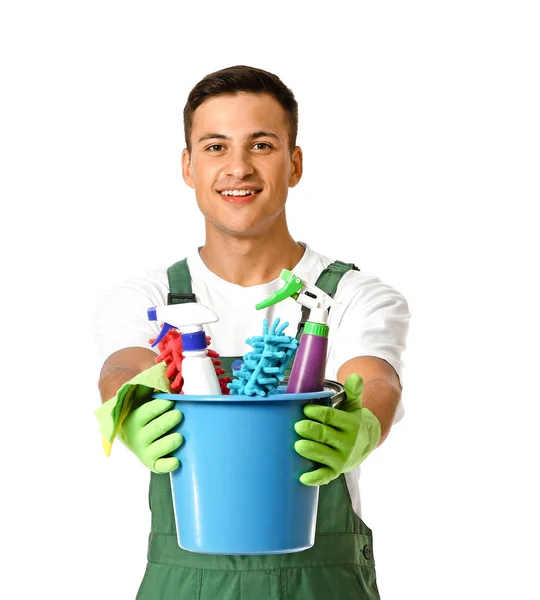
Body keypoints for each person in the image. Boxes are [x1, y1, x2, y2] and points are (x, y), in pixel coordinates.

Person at [93, 65, 410, 600]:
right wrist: (126, 405)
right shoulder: (148, 298)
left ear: (294, 163)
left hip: (320, 582)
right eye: (215, 147)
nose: (238, 167)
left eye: (261, 145)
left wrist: (362, 428)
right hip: (182, 583)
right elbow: (122, 366)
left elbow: (376, 379)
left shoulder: (353, 294)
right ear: (188, 166)